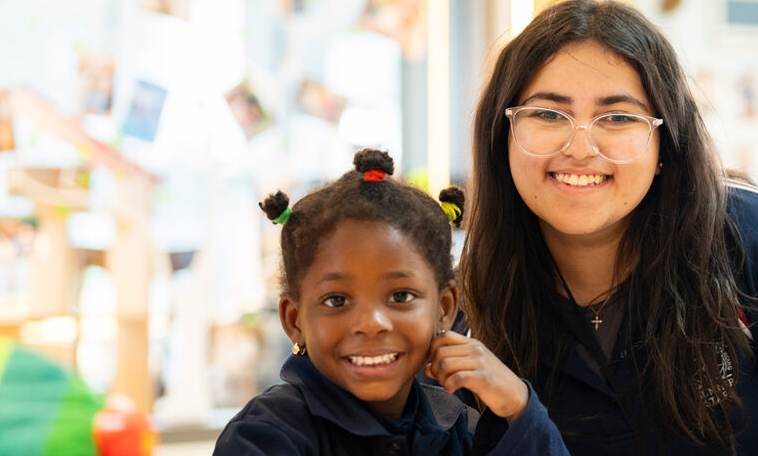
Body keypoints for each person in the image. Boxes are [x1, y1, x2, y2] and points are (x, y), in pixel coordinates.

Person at [457, 0, 758, 455]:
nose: (581, 148)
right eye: (548, 113)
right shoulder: (466, 294)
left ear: (666, 143)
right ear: (504, 135)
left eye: (618, 117)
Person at [214, 149, 567, 455]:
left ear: (444, 309)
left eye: (401, 296)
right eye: (337, 300)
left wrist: (518, 405)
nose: (371, 322)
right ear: (294, 321)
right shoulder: (265, 437)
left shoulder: (460, 428)